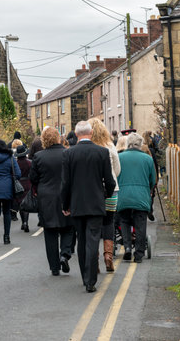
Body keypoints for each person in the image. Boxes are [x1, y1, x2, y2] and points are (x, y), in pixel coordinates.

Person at [61, 121, 115, 293]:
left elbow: (65, 183)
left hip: (77, 204)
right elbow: (110, 181)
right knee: (92, 239)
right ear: (91, 133)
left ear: (77, 135)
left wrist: (65, 204)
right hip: (96, 203)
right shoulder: (102, 152)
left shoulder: (69, 154)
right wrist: (105, 194)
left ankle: (86, 277)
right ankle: (91, 280)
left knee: (82, 240)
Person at [30, 127, 74, 276]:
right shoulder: (68, 153)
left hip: (46, 197)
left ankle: (54, 267)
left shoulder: (38, 156)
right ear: (58, 138)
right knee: (68, 227)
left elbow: (33, 178)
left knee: (50, 232)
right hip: (65, 195)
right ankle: (65, 254)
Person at [117, 133, 156, 263]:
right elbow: (153, 180)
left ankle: (127, 247)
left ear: (128, 144)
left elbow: (115, 176)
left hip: (124, 196)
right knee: (140, 224)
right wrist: (148, 189)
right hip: (141, 197)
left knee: (124, 221)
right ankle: (139, 254)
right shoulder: (148, 159)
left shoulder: (119, 157)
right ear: (140, 145)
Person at [88, 118, 121, 272]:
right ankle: (108, 255)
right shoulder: (110, 146)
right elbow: (117, 169)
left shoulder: (88, 148)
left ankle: (94, 260)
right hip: (111, 189)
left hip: (93, 190)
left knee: (93, 225)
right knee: (109, 222)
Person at [15, 144, 31, 232]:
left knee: (20, 204)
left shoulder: (15, 163)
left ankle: (23, 222)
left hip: (18, 184)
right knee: (26, 203)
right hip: (28, 183)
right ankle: (26, 222)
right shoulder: (29, 162)